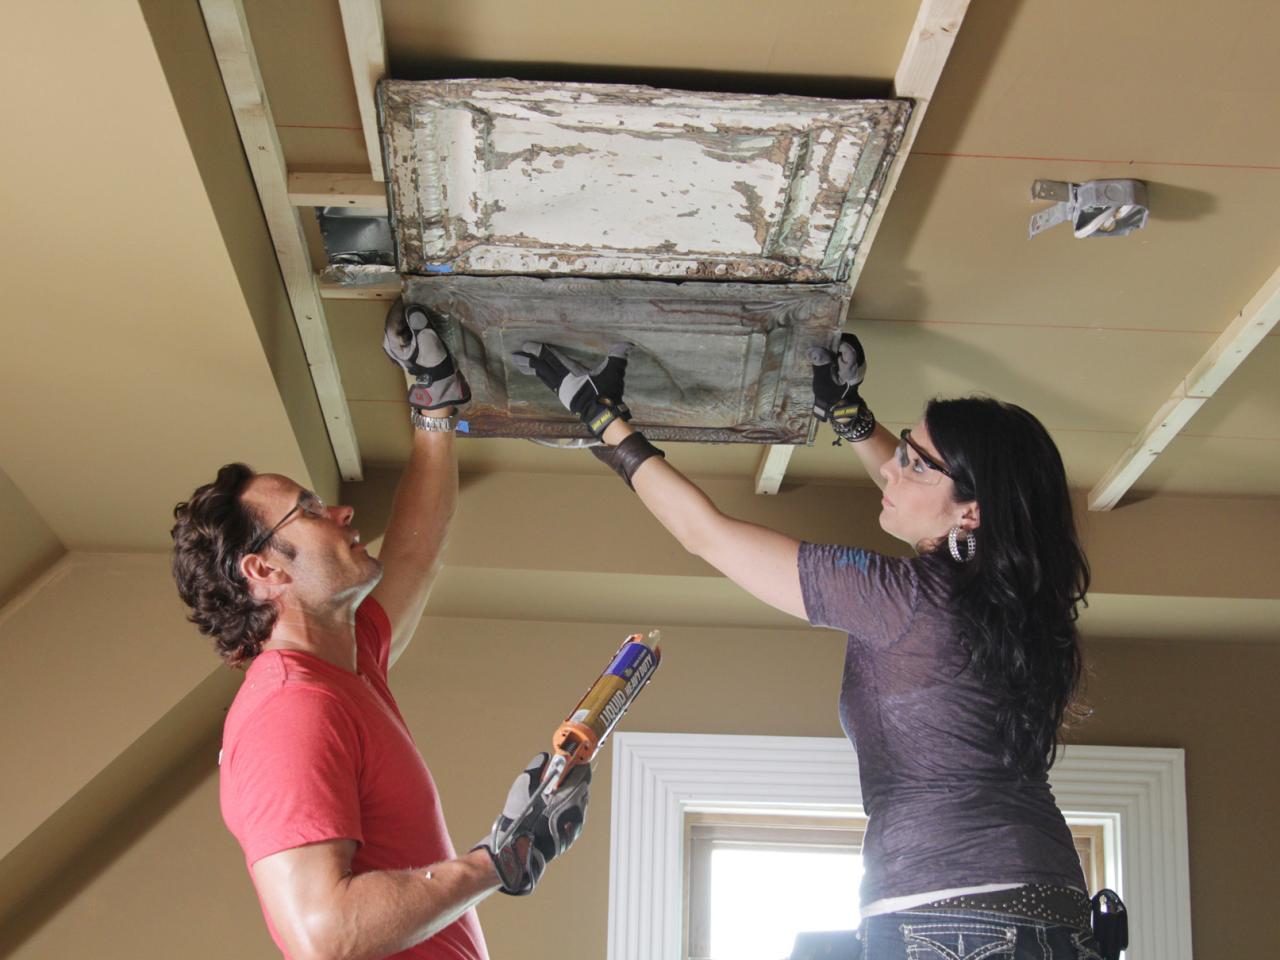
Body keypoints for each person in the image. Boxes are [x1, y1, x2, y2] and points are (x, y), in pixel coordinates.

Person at [512, 335, 1107, 959]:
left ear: (973, 514)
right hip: (1052, 909)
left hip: (951, 918)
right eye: (902, 447)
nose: (891, 467)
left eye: (913, 463)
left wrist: (604, 421)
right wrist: (848, 415)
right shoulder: (1019, 606)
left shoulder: (901, 600)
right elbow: (935, 491)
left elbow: (706, 535)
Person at [170, 300, 589, 960]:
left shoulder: (344, 658)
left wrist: (435, 412)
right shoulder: (288, 711)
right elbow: (324, 934)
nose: (336, 510)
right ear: (263, 570)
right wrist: (497, 861)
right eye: (307, 511)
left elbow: (416, 549)